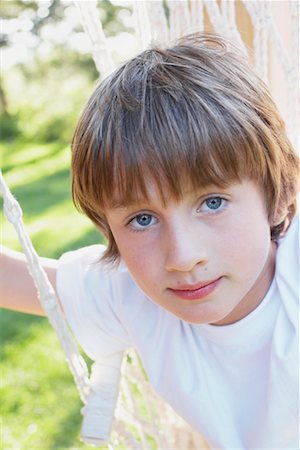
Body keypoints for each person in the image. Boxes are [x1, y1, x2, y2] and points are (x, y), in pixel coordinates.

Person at [1, 33, 299, 448]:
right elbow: (15, 279)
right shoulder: (133, 295)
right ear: (109, 231)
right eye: (142, 219)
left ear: (281, 195)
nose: (182, 256)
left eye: (212, 202)